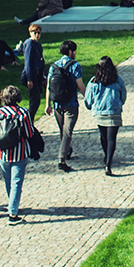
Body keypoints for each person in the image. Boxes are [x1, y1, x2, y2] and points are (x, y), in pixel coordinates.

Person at [0, 85, 35, 225]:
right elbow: (29, 133)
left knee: (8, 181)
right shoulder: (23, 113)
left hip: (2, 153)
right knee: (17, 183)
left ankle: (12, 204)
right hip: (19, 153)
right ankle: (13, 213)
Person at [85, 55, 127, 176]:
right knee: (111, 138)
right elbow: (123, 94)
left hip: (100, 113)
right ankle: (108, 163)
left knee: (103, 136)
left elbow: (88, 99)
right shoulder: (118, 80)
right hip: (114, 112)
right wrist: (120, 103)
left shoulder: (94, 81)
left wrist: (90, 106)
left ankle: (106, 156)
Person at [48, 40, 85, 172]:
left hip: (57, 103)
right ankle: (61, 159)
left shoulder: (53, 66)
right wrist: (88, 98)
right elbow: (80, 85)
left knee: (62, 130)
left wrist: (48, 105)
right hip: (71, 103)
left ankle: (67, 150)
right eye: (74, 51)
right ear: (70, 51)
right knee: (67, 131)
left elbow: (49, 87)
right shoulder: (75, 66)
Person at [20, 25, 47, 122]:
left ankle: (30, 123)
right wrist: (29, 79)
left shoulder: (38, 44)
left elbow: (41, 61)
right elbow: (28, 63)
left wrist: (44, 75)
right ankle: (29, 124)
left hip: (38, 75)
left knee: (37, 101)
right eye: (34, 32)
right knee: (34, 102)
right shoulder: (29, 44)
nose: (37, 35)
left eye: (38, 33)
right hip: (32, 76)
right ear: (30, 33)